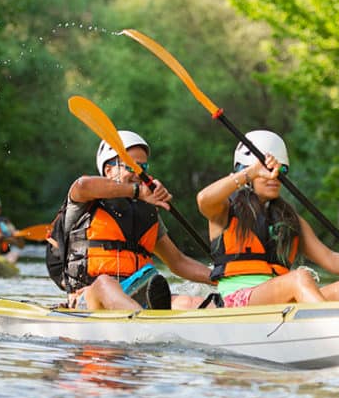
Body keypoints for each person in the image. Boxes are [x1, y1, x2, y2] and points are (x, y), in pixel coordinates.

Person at [196, 130, 339, 307]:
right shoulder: (224, 210)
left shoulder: (289, 219)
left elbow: (329, 257)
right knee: (299, 277)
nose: (274, 176)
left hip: (280, 299)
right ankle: (327, 323)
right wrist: (251, 172)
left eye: (281, 170)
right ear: (246, 171)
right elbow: (203, 199)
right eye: (266, 170)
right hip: (236, 301)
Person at [45, 130, 213, 310]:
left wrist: (222, 276)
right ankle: (141, 320)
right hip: (89, 297)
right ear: (108, 170)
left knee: (190, 303)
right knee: (105, 283)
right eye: (132, 167)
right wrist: (139, 191)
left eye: (143, 168)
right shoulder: (83, 201)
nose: (139, 174)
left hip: (137, 292)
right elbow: (82, 185)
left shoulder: (146, 212)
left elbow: (178, 261)